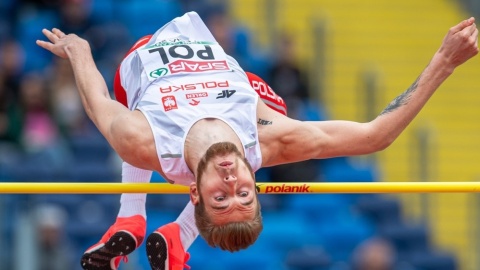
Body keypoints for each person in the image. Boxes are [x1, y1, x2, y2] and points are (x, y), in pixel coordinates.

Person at [36, 11, 478, 270]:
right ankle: (171, 237)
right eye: (244, 193)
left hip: (140, 67)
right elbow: (376, 136)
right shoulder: (272, 138)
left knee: (130, 139)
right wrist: (444, 61)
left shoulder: (141, 141)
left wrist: (79, 51)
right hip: (238, 86)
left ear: (194, 192)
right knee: (277, 105)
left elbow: (96, 101)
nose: (231, 182)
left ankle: (136, 220)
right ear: (253, 178)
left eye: (220, 198)